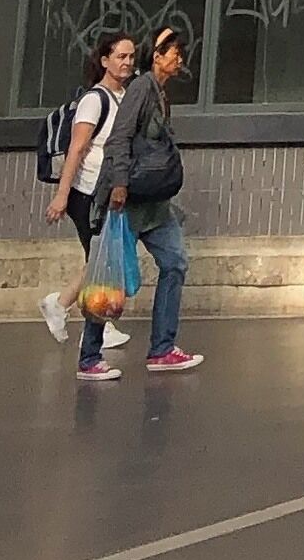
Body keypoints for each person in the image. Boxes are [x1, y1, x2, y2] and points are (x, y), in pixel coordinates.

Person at [96, 21, 201, 379]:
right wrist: (119, 185)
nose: (179, 59)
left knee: (176, 263)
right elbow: (118, 139)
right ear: (157, 56)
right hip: (130, 200)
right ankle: (89, 355)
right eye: (174, 52)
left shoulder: (160, 92)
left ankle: (162, 348)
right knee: (113, 280)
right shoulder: (141, 89)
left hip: (155, 205)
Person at [44, 30, 139, 373]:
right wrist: (62, 195)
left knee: (99, 262)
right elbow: (77, 149)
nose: (127, 63)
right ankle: (85, 333)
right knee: (100, 262)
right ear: (104, 61)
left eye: (131, 57)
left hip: (108, 194)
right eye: (120, 57)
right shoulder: (94, 100)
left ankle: (65, 306)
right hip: (87, 194)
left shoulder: (124, 97)